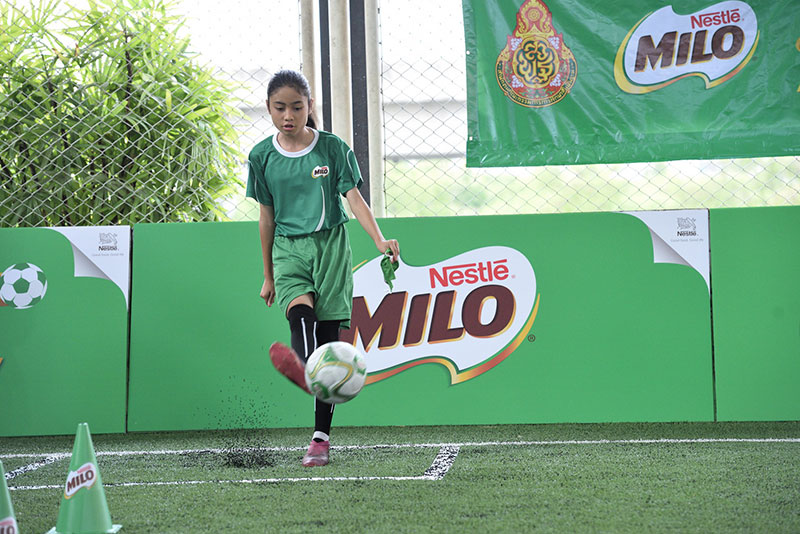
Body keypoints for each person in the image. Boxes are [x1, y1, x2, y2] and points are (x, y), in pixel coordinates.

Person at [246, 70, 399, 467]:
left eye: (297, 107)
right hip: (288, 248)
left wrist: (379, 240)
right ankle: (304, 370)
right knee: (300, 313)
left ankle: (320, 439)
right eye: (280, 108)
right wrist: (269, 275)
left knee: (330, 342)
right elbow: (266, 217)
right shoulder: (261, 157)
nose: (288, 115)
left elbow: (354, 198)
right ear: (269, 108)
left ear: (309, 106)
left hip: (331, 248)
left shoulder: (333, 149)